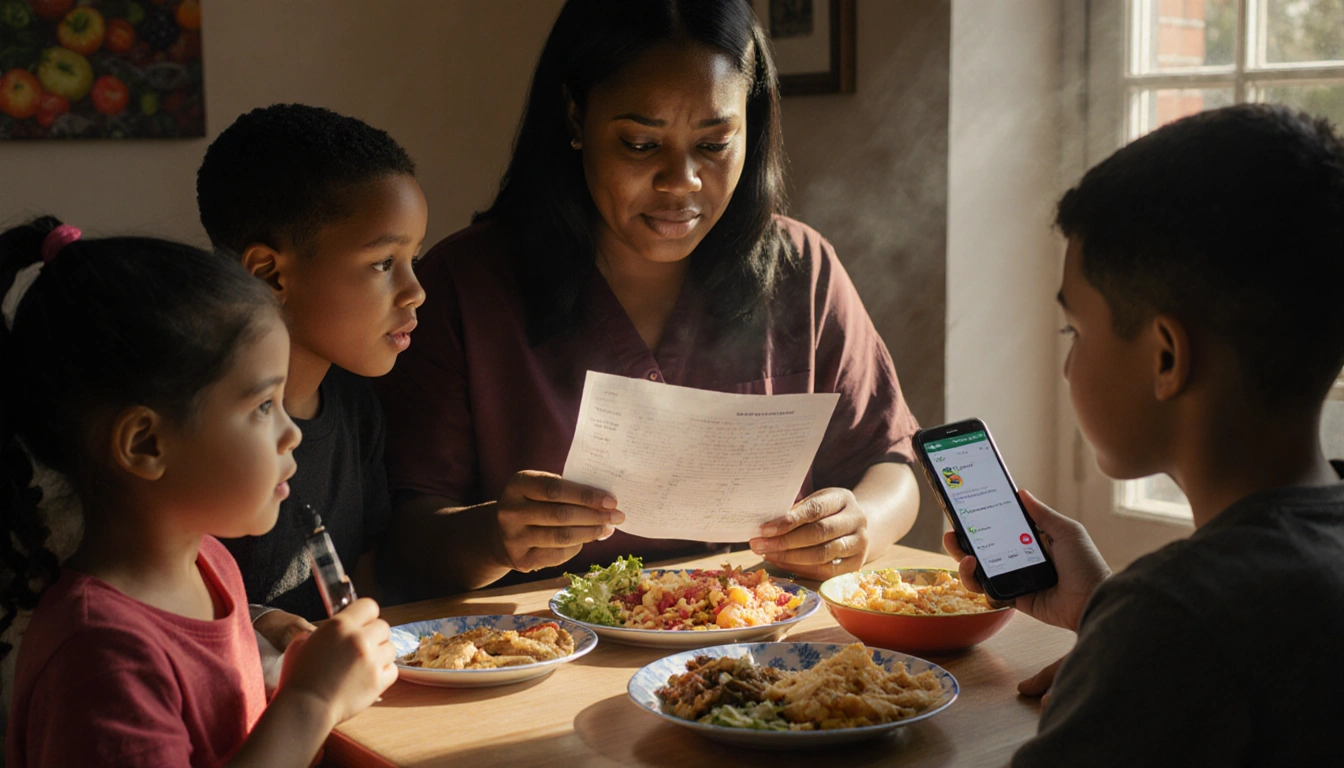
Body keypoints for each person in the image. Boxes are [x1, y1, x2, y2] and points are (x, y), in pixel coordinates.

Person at [376, 0, 921, 598]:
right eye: (640, 144)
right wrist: (491, 538)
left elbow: (892, 467)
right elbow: (403, 538)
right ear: (576, 119)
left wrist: (858, 525)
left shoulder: (799, 268)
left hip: (755, 642)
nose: (680, 181)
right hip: (540, 659)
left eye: (714, 145)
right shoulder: (466, 283)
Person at [943, 104, 1344, 765]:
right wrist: (1102, 609)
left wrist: (1135, 629)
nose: (1069, 366)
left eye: (1077, 332)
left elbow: (1194, 637)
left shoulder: (1174, 626)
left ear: (1165, 358)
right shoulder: (1238, 595)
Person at [1, 219, 397, 766]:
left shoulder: (212, 567)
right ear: (146, 444)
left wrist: (311, 686)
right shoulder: (99, 656)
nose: (293, 433)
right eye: (263, 406)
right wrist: (310, 703)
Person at [196, 103, 428, 649]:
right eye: (383, 263)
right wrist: (253, 622)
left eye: (414, 257)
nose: (415, 290)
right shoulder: (196, 427)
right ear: (271, 274)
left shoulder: (355, 408)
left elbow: (363, 593)